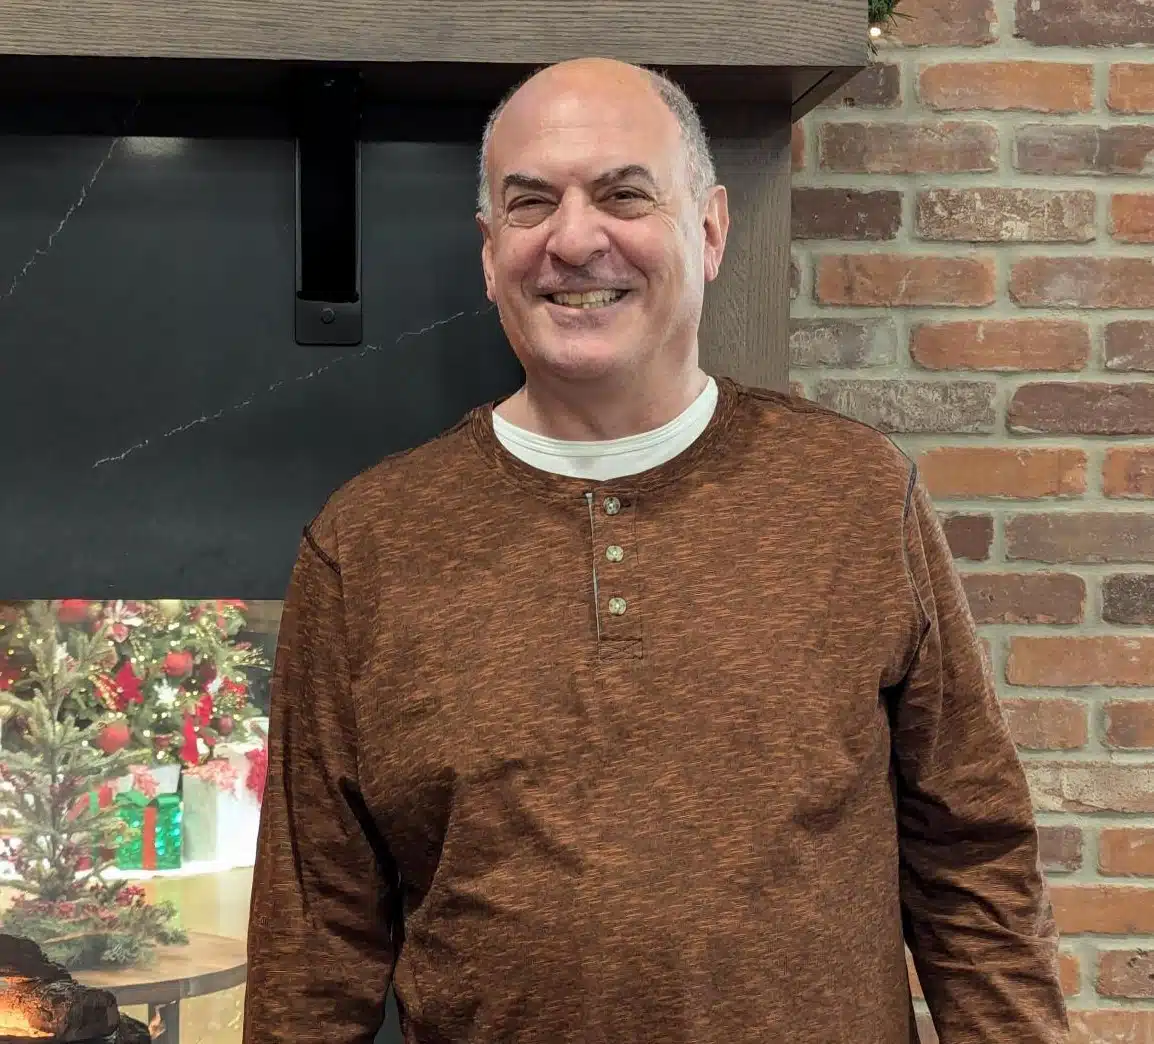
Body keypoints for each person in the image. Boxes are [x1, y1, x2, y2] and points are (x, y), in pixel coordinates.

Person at [242, 57, 1069, 1044]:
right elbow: (313, 939)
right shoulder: (365, 546)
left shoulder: (850, 495)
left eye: (623, 194)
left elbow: (971, 860)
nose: (574, 238)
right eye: (530, 202)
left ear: (710, 229)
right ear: (487, 248)